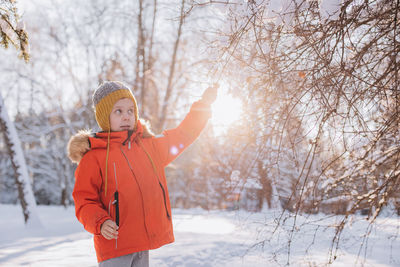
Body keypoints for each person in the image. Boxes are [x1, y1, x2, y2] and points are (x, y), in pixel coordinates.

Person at [67, 81, 218, 266]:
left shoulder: (148, 147)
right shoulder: (95, 156)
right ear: (105, 117)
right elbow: (84, 200)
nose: (126, 117)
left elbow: (181, 135)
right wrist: (100, 222)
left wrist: (203, 107)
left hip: (141, 243)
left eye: (130, 110)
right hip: (114, 245)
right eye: (118, 111)